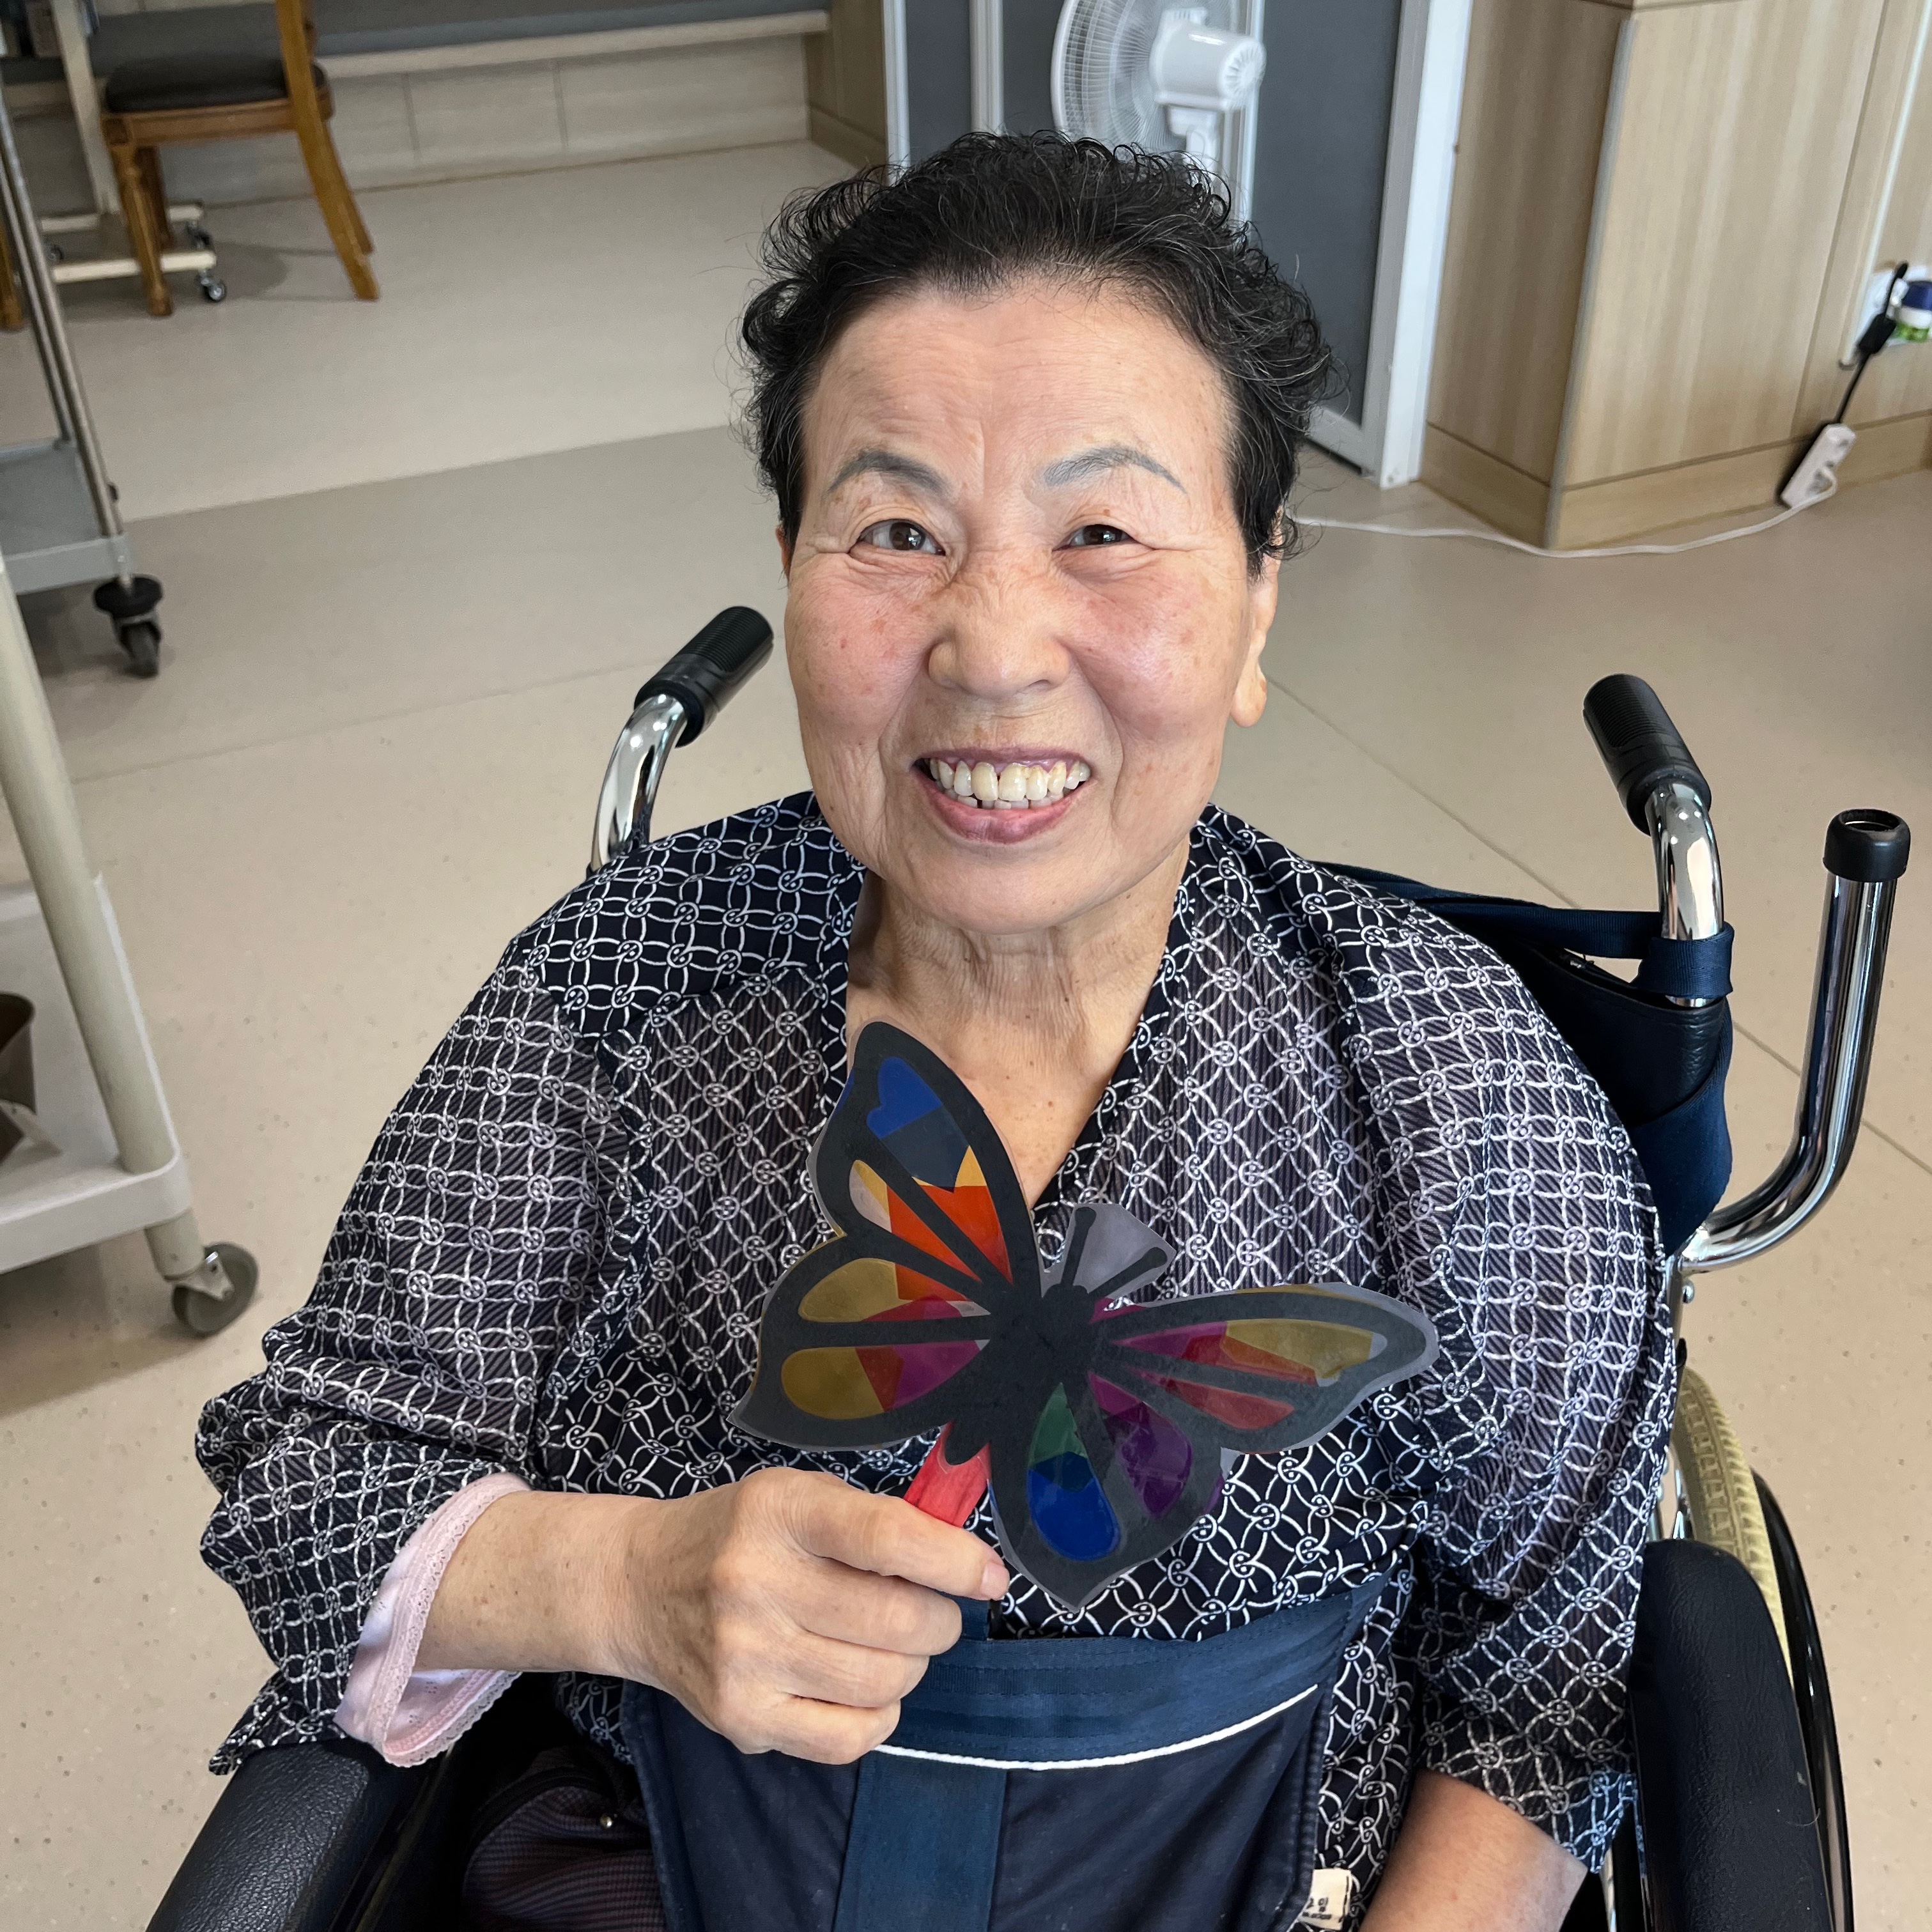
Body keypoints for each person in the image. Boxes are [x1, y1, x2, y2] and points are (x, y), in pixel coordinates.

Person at [196, 134, 1671, 1931]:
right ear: (793, 566)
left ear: (1258, 599)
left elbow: (1548, 1684)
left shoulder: (1438, 1077)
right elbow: (308, 1482)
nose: (992, 648)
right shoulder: (628, 988)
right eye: (899, 532)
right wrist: (629, 1581)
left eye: (1103, 533)